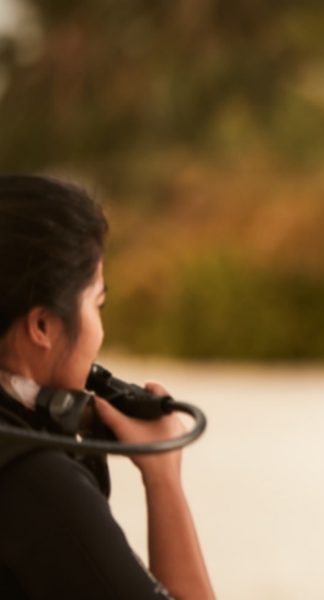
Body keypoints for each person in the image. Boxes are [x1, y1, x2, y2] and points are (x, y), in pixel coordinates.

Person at [0, 175, 215, 599]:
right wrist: (163, 476)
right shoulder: (36, 482)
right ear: (42, 326)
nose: (99, 331)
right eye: (97, 304)